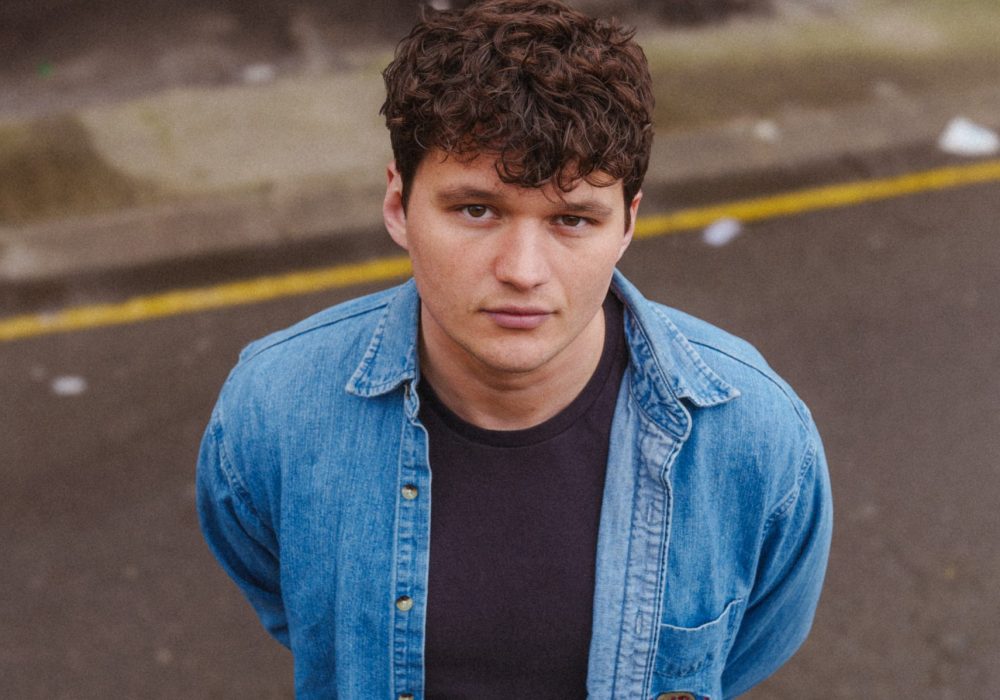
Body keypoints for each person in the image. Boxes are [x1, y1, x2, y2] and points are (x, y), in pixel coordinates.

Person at [196, 1, 833, 698]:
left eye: (571, 219)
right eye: (477, 210)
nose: (523, 270)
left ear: (626, 225)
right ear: (397, 204)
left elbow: (756, 645)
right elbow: (300, 609)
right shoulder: (274, 408)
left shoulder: (756, 436)